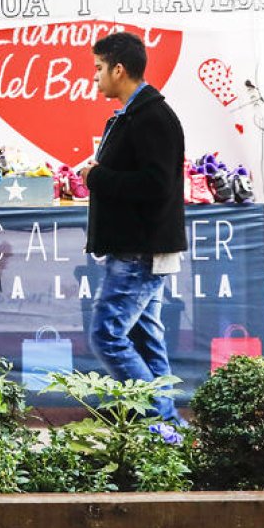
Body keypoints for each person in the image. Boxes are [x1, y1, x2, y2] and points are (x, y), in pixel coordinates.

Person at [79, 31, 186, 424]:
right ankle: (169, 431)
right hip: (137, 248)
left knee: (107, 335)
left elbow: (156, 184)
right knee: (145, 339)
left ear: (118, 69)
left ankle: (160, 421)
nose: (94, 77)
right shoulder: (134, 115)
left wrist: (97, 177)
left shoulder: (151, 118)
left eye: (98, 68)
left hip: (139, 251)